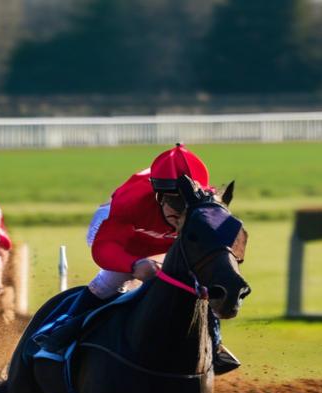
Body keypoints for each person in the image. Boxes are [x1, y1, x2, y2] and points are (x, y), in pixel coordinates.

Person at [38, 143, 240, 374]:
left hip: (161, 239)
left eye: (188, 204)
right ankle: (61, 329)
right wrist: (134, 265)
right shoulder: (131, 202)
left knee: (200, 276)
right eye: (175, 203)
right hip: (118, 233)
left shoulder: (203, 207)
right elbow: (105, 248)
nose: (183, 212)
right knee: (115, 277)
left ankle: (215, 344)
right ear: (159, 197)